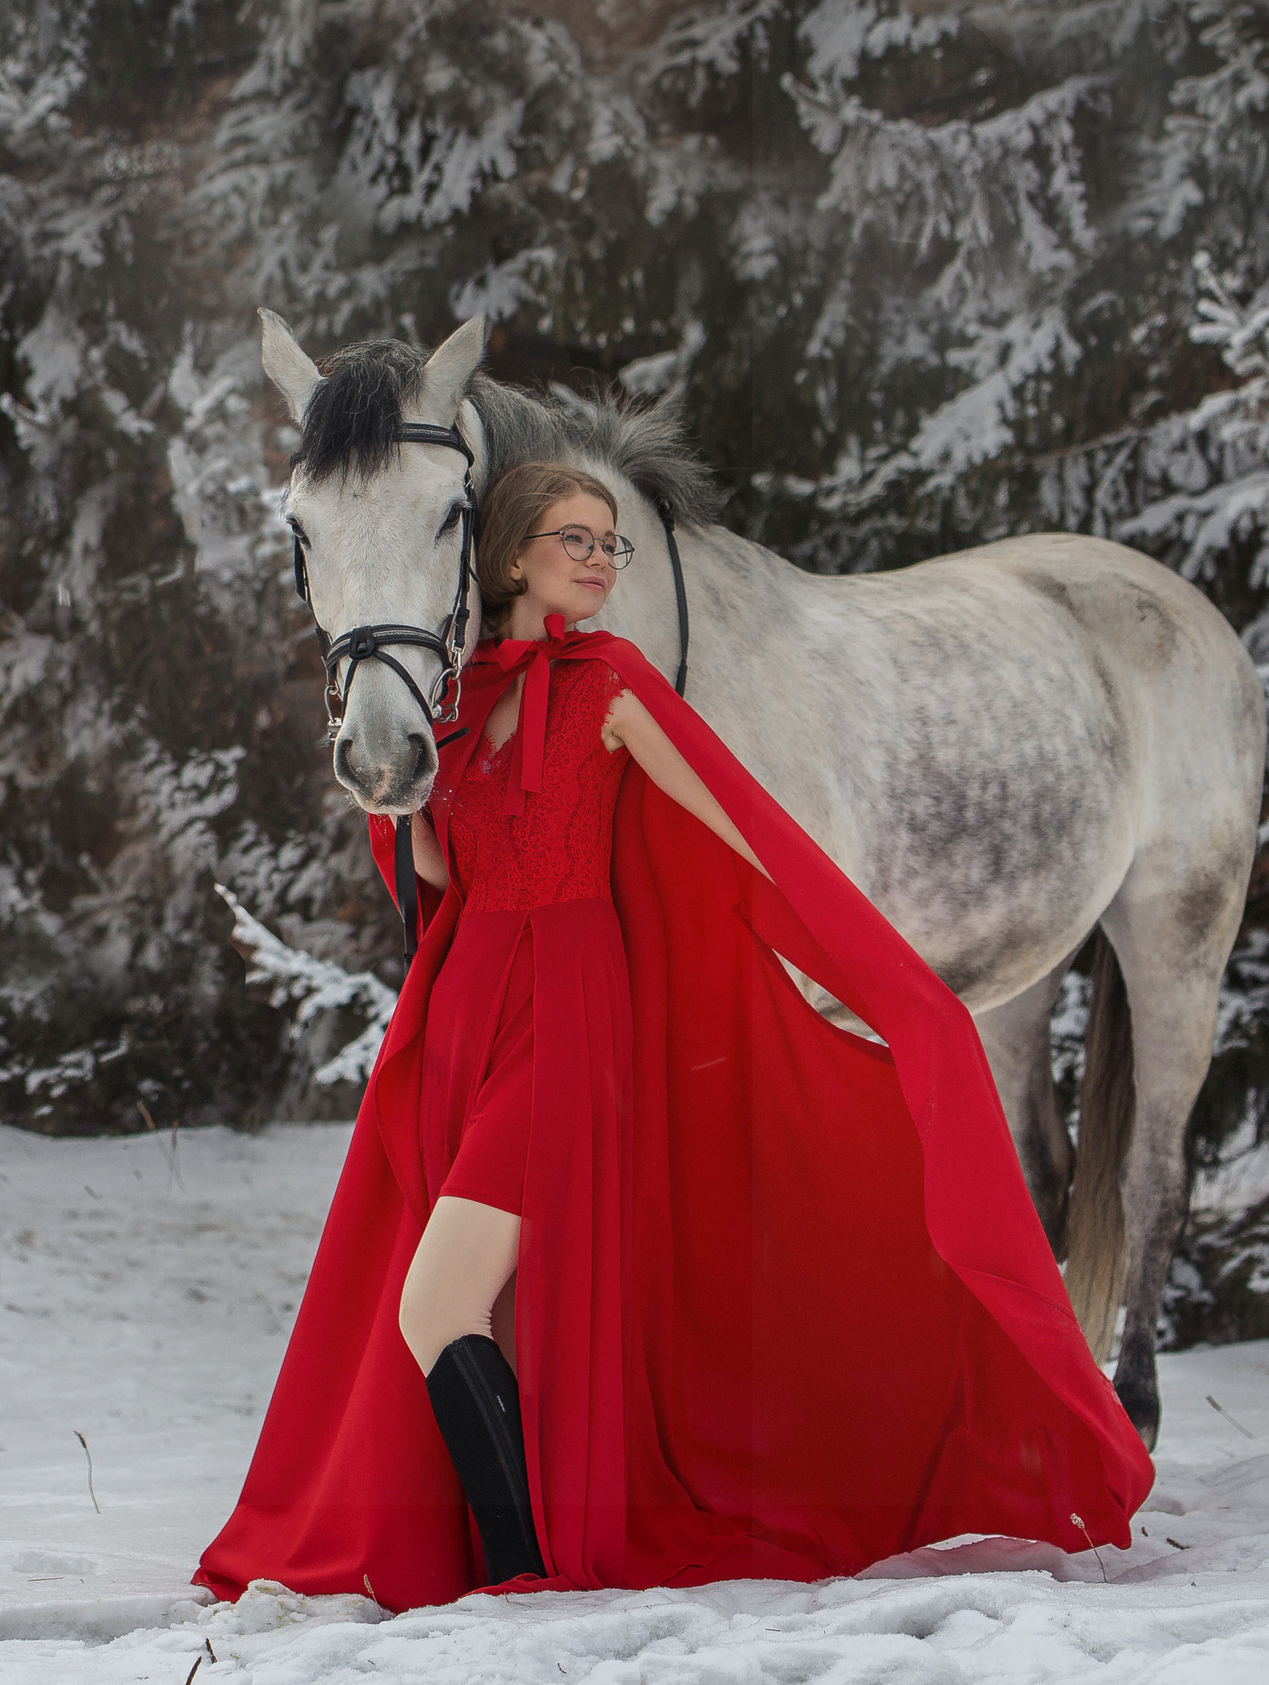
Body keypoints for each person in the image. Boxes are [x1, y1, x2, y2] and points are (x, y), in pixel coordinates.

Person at [197, 460, 1152, 1609]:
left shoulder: (611, 685)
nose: (601, 560)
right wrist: (384, 790)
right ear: (507, 560)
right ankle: (504, 1556)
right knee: (484, 1309)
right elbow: (443, 869)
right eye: (575, 540)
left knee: (432, 1303)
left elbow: (748, 830)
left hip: (565, 1023)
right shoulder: (456, 696)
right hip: (466, 1013)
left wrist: (887, 981)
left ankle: (522, 1570)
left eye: (611, 543)